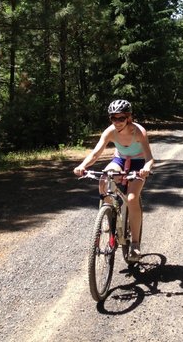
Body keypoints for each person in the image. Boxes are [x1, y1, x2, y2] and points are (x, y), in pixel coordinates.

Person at [74, 99, 154, 260]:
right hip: (120, 160)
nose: (117, 122)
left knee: (132, 198)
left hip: (138, 162)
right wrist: (82, 165)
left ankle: (135, 245)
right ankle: (108, 214)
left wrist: (146, 169)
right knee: (104, 180)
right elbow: (96, 153)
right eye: (113, 118)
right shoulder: (110, 131)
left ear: (128, 118)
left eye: (121, 118)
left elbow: (149, 158)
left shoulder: (139, 132)